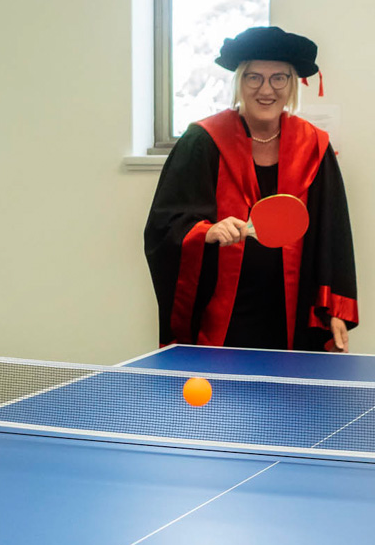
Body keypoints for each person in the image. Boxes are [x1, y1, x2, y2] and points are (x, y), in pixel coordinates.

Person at [146, 26, 358, 352]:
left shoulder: (314, 147)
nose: (266, 89)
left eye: (279, 78)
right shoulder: (202, 142)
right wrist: (206, 231)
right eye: (254, 77)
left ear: (292, 85)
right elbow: (164, 226)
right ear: (239, 82)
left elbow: (333, 236)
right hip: (223, 317)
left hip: (293, 312)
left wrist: (335, 311)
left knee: (291, 399)